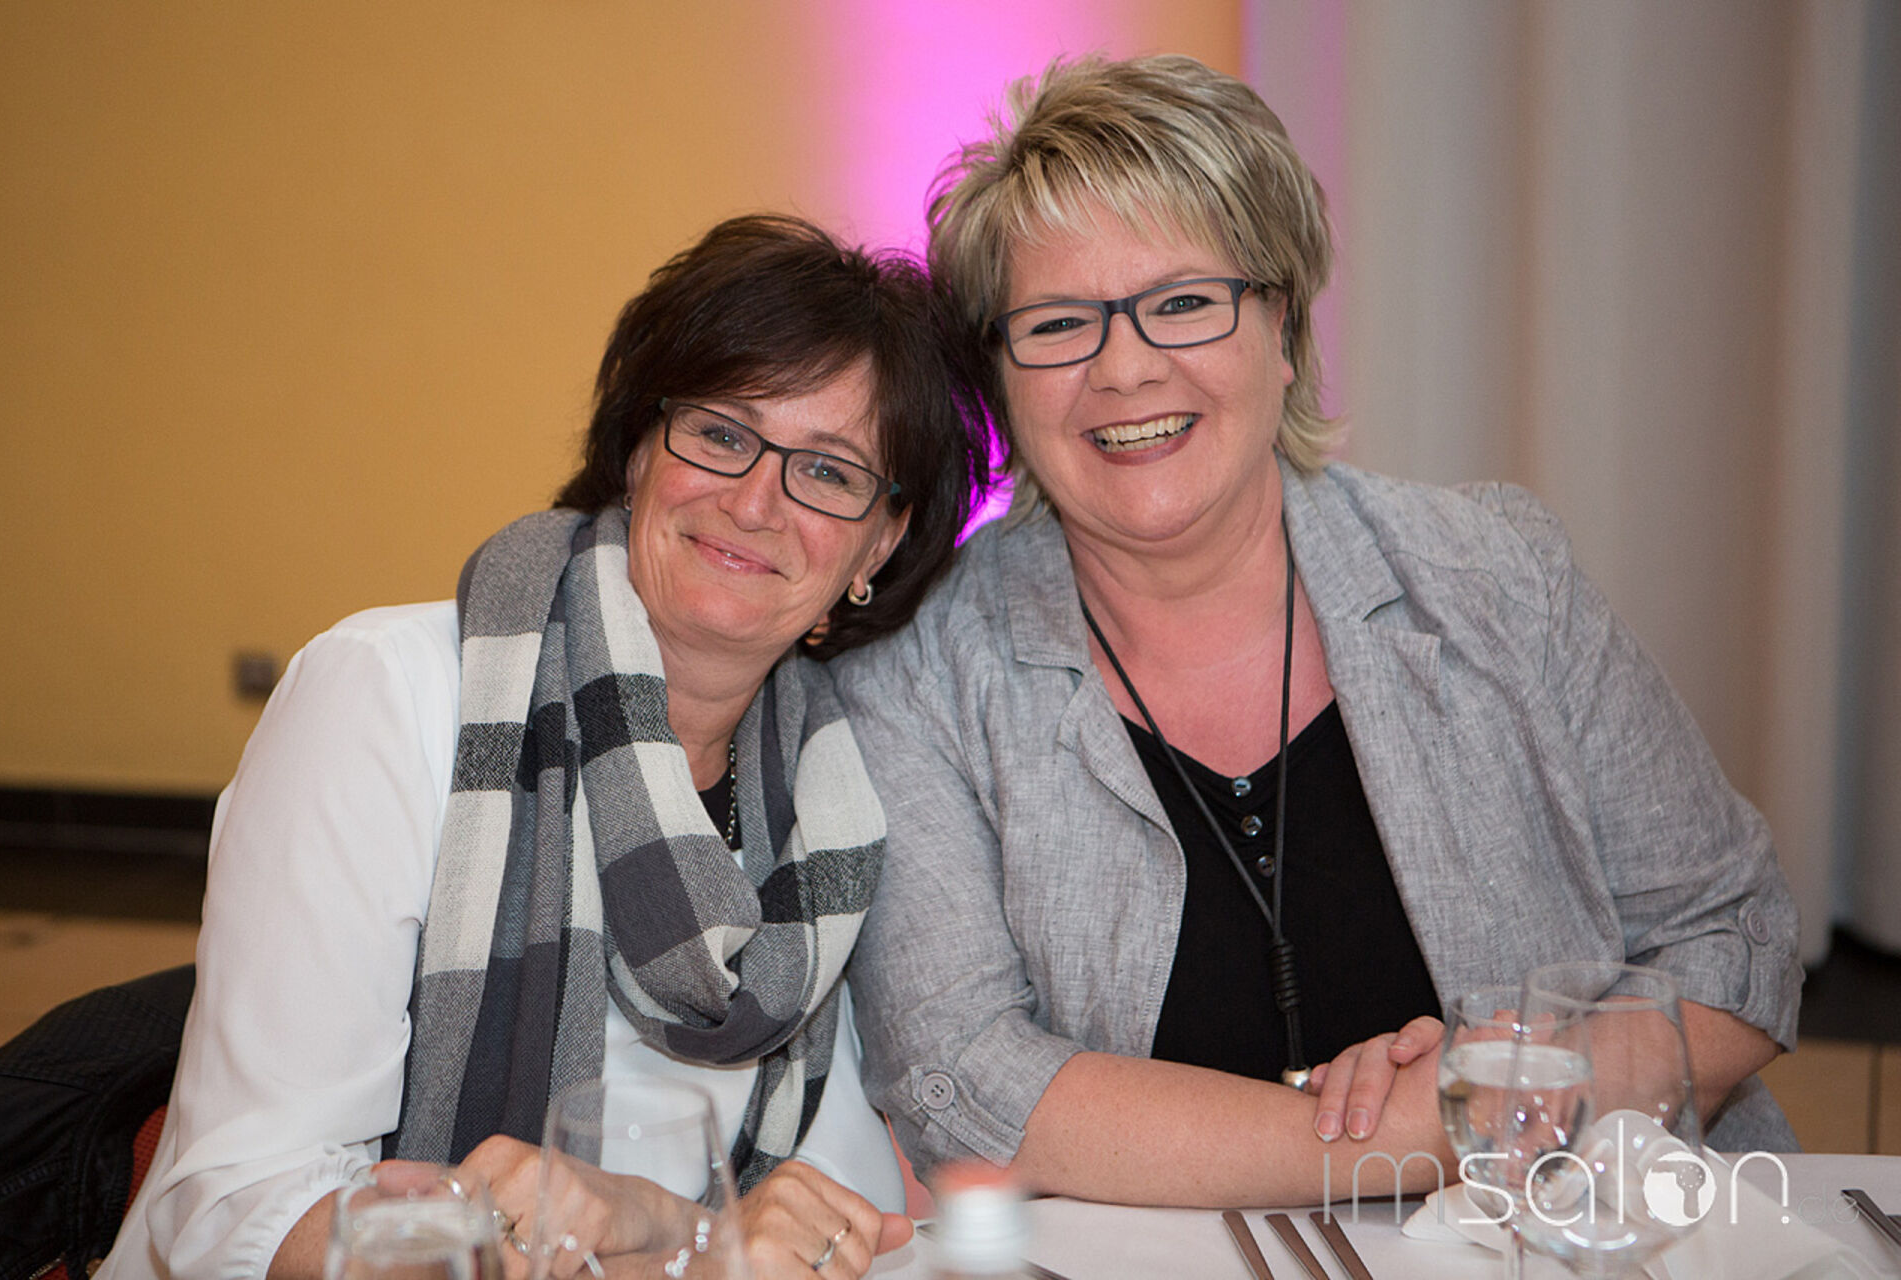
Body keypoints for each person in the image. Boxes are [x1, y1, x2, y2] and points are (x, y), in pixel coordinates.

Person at [833, 54, 1801, 1208]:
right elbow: (959, 1078)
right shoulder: (920, 669)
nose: (1125, 367)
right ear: (1000, 379)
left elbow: (1736, 941)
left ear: (1282, 325)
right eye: (1057, 323)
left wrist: (1505, 1094)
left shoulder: (1495, 574)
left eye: (1183, 303)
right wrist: (1443, 1123)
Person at [104, 214, 987, 1279]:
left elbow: (845, 1206)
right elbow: (232, 1209)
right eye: (721, 434)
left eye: (831, 473)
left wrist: (670, 1235)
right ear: (638, 449)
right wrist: (670, 1237)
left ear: (880, 541)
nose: (757, 502)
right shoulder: (388, 693)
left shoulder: (837, 792)